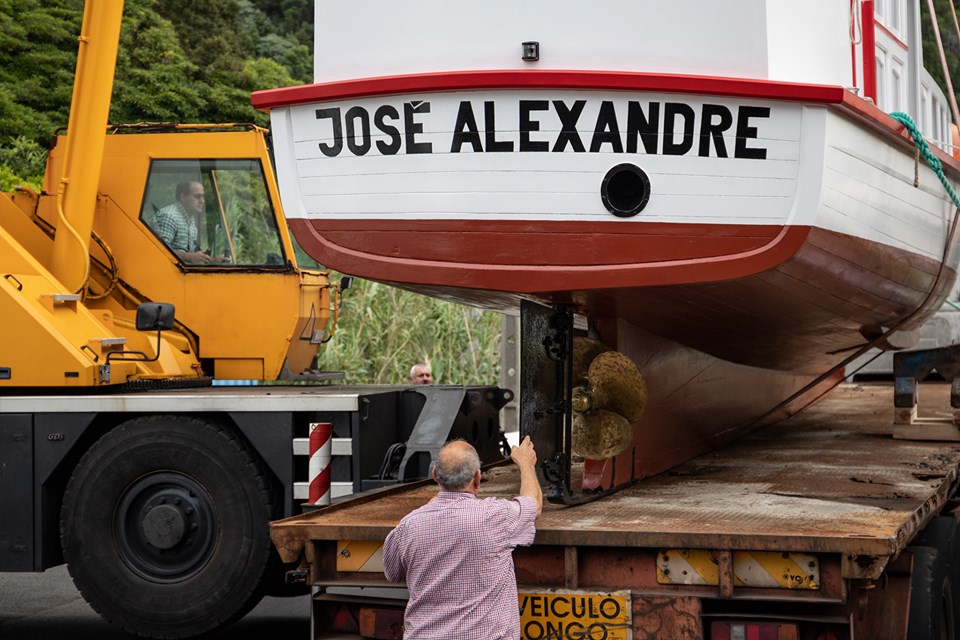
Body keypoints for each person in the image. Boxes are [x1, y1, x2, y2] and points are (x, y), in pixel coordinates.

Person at [383, 436, 542, 640]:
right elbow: (533, 505)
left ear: (435, 474)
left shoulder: (408, 526)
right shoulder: (495, 516)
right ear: (477, 478)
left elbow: (392, 573)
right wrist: (526, 464)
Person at [153, 180, 220, 264]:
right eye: (197, 196)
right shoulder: (168, 217)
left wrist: (212, 260)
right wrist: (189, 257)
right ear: (183, 197)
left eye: (203, 197)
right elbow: (158, 251)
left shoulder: (190, 219)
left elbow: (190, 254)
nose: (202, 201)